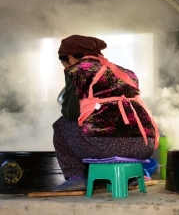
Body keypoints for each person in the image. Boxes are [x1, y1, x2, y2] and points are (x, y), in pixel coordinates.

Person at [52, 35, 159, 191]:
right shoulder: (125, 72)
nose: (65, 67)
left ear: (71, 58)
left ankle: (76, 177)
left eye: (64, 63)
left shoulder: (79, 70)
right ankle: (134, 175)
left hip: (107, 147)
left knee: (61, 124)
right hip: (144, 147)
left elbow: (71, 112)